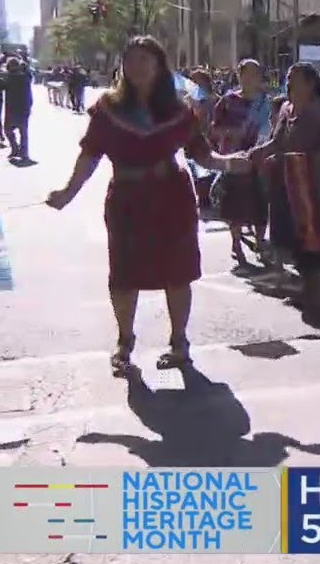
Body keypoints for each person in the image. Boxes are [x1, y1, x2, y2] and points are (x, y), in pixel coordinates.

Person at [44, 36, 251, 373]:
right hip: (127, 199)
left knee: (177, 272)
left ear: (158, 66)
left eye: (145, 60)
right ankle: (124, 342)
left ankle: (180, 343)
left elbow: (202, 155)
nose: (137, 66)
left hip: (171, 198)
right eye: (131, 60)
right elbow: (90, 154)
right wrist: (68, 192)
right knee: (124, 275)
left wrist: (231, 163)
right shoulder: (107, 109)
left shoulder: (179, 110)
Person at [246, 62, 320, 307]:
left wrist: (308, 158)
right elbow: (277, 141)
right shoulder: (286, 109)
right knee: (294, 236)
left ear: (310, 83)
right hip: (288, 184)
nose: (290, 83)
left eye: (296, 79)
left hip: (317, 185)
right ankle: (306, 288)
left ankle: (317, 291)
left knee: (315, 236)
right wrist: (259, 152)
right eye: (289, 78)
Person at [209, 59, 272, 264]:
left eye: (255, 73)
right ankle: (236, 243)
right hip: (234, 159)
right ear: (239, 75)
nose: (251, 78)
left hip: (259, 159)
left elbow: (273, 128)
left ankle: (261, 241)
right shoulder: (228, 101)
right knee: (234, 204)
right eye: (247, 73)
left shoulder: (265, 102)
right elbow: (214, 129)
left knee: (261, 203)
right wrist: (231, 133)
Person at [3, 58, 34, 162]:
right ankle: (23, 152)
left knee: (8, 130)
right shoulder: (25, 76)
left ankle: (16, 149)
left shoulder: (9, 77)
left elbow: (0, 86)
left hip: (12, 108)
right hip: (24, 107)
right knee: (23, 131)